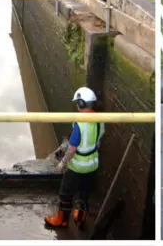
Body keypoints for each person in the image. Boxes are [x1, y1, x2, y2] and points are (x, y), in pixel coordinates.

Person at [45, 87, 105, 229]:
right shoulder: (100, 120)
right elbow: (98, 143)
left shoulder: (79, 123)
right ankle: (80, 217)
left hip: (77, 167)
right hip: (93, 165)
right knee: (84, 192)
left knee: (65, 193)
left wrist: (63, 164)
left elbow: (72, 148)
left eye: (77, 103)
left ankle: (61, 220)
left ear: (81, 103)